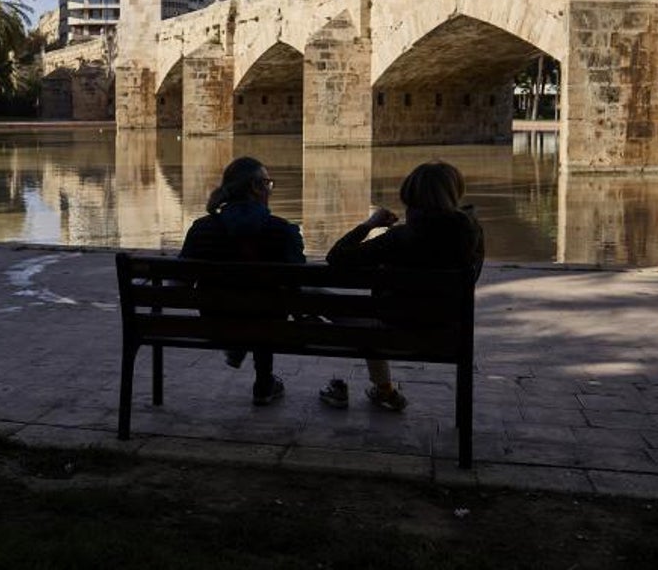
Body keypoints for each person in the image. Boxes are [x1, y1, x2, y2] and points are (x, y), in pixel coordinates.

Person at [319, 161, 484, 412]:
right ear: (454, 192)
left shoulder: (399, 238)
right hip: (448, 334)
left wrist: (370, 224)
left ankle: (383, 388)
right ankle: (384, 390)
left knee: (320, 297)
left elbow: (337, 257)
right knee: (377, 320)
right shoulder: (472, 234)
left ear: (410, 196)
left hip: (392, 333)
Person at [180, 156, 305, 405]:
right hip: (272, 325)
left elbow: (180, 282)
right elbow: (298, 285)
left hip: (216, 323)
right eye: (268, 184)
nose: (270, 190)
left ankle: (241, 351)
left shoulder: (201, 230)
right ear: (256, 188)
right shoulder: (282, 231)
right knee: (266, 304)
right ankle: (263, 381)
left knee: (250, 303)